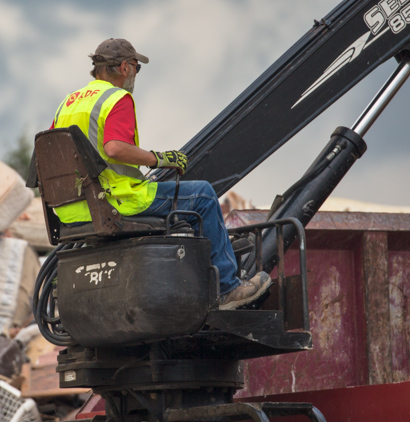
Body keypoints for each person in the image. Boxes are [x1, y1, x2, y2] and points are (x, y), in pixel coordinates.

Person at [51, 38, 271, 310]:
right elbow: (115, 148)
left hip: (73, 211)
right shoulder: (117, 98)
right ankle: (228, 288)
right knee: (202, 194)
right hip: (115, 201)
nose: (135, 75)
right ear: (124, 68)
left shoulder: (67, 104)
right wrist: (159, 159)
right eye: (136, 68)